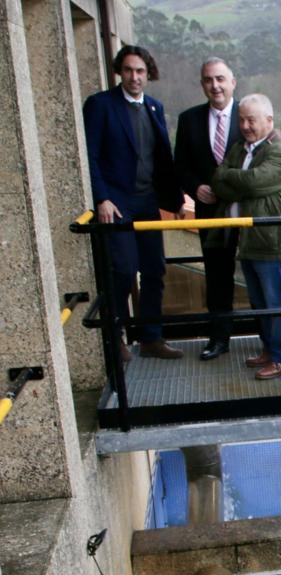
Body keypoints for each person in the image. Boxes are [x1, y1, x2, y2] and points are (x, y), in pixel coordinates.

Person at [82, 45, 184, 361]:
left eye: (140, 71)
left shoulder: (154, 107)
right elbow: (91, 156)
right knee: (124, 270)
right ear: (119, 72)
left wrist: (176, 200)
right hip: (117, 203)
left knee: (155, 270)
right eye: (128, 70)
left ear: (148, 73)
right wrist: (102, 198)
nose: (134, 77)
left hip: (147, 201)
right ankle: (116, 338)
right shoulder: (101, 105)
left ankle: (152, 338)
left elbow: (163, 160)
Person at [211, 94, 281, 380]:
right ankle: (269, 351)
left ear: (269, 121)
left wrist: (230, 176)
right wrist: (236, 180)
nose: (245, 126)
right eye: (242, 120)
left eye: (252, 120)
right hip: (246, 242)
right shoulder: (239, 148)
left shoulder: (280, 153)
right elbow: (219, 184)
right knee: (259, 303)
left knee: (277, 303)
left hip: (271, 242)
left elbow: (255, 181)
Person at [174, 58, 241, 361]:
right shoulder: (188, 120)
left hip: (246, 211)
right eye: (208, 80)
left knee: (259, 273)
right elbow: (180, 166)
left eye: (220, 79)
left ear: (232, 82)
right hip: (210, 213)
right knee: (217, 276)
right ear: (202, 84)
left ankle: (271, 342)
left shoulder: (247, 114)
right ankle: (219, 339)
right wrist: (195, 187)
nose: (215, 85)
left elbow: (272, 153)